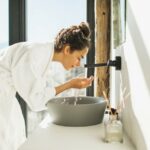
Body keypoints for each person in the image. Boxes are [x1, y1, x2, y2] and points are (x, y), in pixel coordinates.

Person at [0, 22, 93, 150]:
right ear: (67, 50)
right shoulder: (34, 54)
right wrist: (69, 84)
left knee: (14, 136)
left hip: (6, 97)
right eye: (79, 57)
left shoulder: (42, 53)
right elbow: (36, 101)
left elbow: (40, 93)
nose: (78, 64)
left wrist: (70, 84)